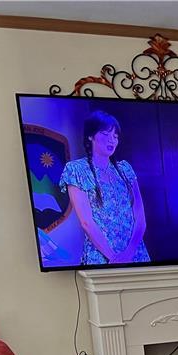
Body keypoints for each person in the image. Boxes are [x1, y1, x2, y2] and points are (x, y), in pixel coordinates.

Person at [60, 111, 149, 265]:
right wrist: (114, 258)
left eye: (115, 136)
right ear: (90, 136)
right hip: (102, 256)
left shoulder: (125, 169)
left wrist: (129, 252)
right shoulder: (77, 170)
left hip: (135, 253)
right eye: (105, 134)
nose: (112, 140)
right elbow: (86, 222)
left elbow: (140, 217)